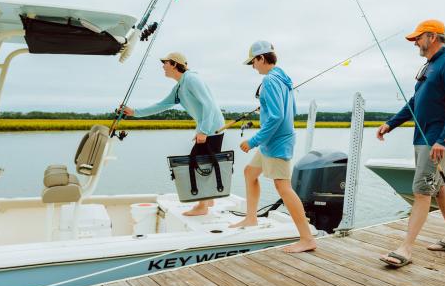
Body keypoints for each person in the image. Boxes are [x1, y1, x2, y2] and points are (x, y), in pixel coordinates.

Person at [377, 19, 445, 268]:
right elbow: (415, 102)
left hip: (437, 139)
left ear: (432, 36)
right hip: (424, 137)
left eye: (418, 38)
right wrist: (391, 123)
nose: (415, 42)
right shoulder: (430, 66)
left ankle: (405, 249)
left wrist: (444, 139)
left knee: (421, 190)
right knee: (437, 187)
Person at [230, 41, 316, 253]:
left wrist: (252, 141)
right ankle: (251, 218)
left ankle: (307, 239)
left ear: (261, 58)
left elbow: (277, 117)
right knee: (250, 172)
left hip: (276, 142)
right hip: (273, 141)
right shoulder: (283, 78)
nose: (253, 67)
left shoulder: (270, 80)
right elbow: (291, 111)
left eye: (253, 62)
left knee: (283, 188)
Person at [120, 52, 225, 216]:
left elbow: (209, 105)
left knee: (197, 163)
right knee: (202, 162)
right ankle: (208, 200)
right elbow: (161, 105)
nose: (163, 66)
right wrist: (134, 112)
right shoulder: (179, 87)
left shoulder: (191, 79)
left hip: (213, 127)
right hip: (208, 128)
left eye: (165, 62)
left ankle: (202, 206)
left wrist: (203, 130)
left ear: (175, 64)